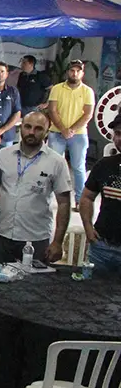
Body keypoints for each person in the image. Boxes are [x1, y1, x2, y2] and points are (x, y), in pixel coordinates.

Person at [0, 111, 71, 264]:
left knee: (34, 286)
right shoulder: (2, 156)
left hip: (36, 239)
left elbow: (64, 203)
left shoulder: (57, 162)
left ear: (47, 131)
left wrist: (58, 242)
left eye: (38, 128)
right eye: (27, 126)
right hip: (3, 235)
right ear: (21, 128)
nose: (31, 132)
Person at [46, 59, 94, 201]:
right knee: (53, 166)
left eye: (78, 71)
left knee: (78, 167)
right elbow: (52, 110)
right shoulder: (57, 88)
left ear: (82, 73)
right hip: (56, 132)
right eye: (72, 70)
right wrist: (63, 129)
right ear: (68, 72)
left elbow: (88, 114)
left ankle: (80, 200)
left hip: (78, 135)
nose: (75, 73)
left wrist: (71, 130)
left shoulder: (87, 91)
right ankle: (47, 198)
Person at [79, 116, 121, 276]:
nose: (120, 138)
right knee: (91, 298)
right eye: (117, 133)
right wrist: (88, 228)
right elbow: (87, 198)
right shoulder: (104, 165)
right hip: (101, 248)